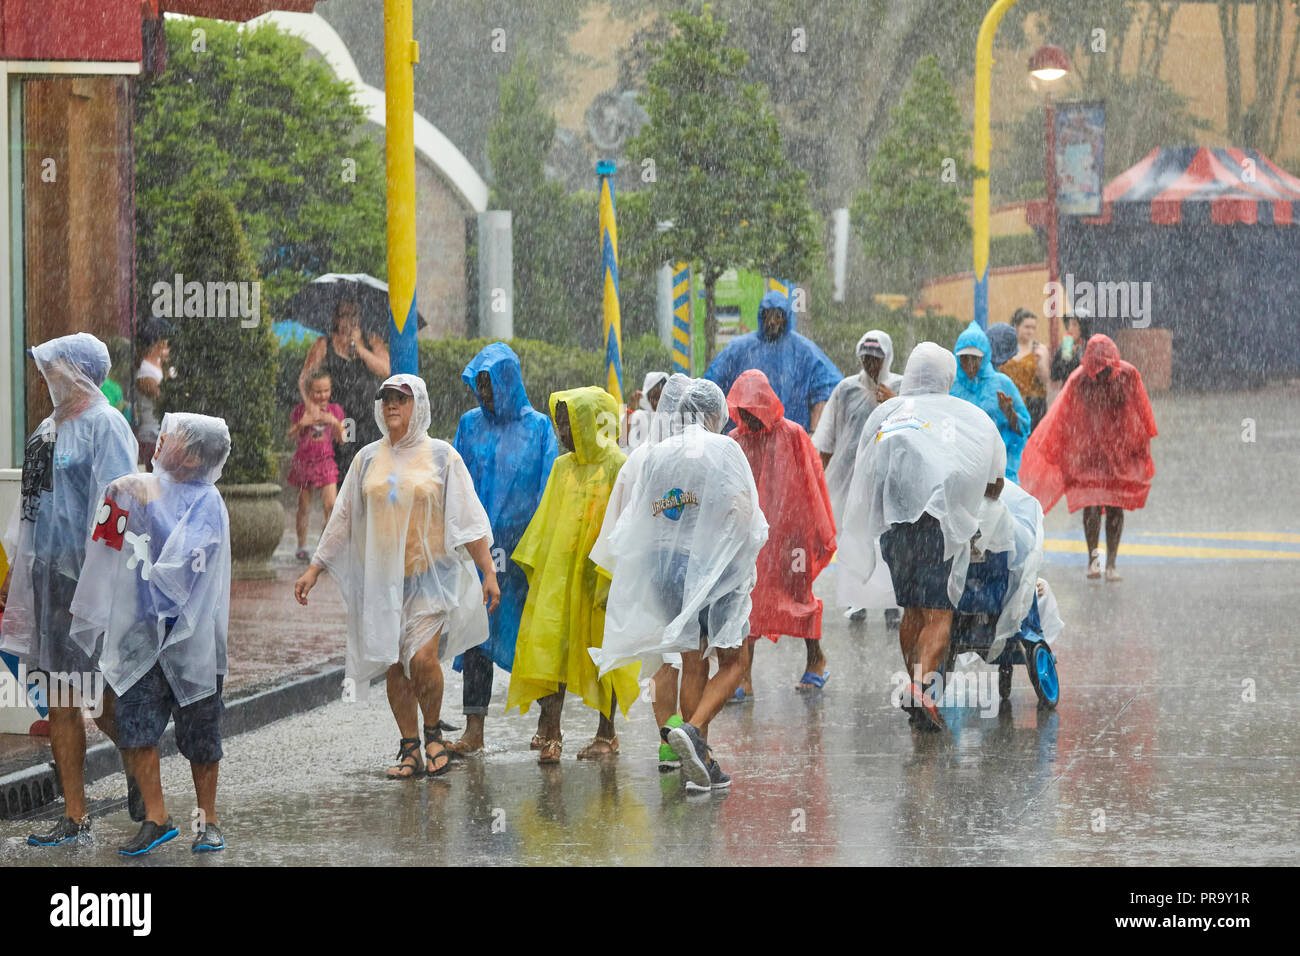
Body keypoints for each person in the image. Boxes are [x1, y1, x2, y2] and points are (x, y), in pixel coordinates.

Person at [293, 375, 500, 779]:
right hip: (383, 582)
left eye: (401, 400)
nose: (392, 405)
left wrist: (488, 570)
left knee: (422, 659)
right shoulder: (367, 459)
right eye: (386, 398)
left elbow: (467, 519)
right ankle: (410, 746)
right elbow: (343, 516)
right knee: (394, 664)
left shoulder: (442, 457)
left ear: (417, 405)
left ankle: (433, 731)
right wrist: (315, 568)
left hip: (431, 578)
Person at [591, 378, 768, 791]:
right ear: (712, 414)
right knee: (735, 663)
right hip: (711, 570)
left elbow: (638, 521)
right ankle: (694, 730)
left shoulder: (657, 453)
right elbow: (746, 514)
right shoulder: (724, 448)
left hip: (665, 572)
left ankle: (698, 764)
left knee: (692, 661)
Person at [69, 413, 232, 855]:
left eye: (173, 436)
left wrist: (143, 499)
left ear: (196, 455)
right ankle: (156, 817)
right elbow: (107, 543)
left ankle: (208, 820)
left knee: (201, 735)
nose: (161, 439)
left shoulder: (207, 502)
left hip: (192, 641)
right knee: (135, 725)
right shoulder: (137, 487)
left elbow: (182, 568)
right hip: (141, 635)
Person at [0, 334, 138, 845]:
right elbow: (30, 507)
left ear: (80, 372)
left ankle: (139, 764)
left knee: (99, 700)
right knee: (59, 696)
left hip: (93, 580)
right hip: (47, 579)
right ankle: (75, 814)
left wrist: (100, 576)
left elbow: (118, 504)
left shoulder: (108, 427)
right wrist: (15, 567)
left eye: (56, 368)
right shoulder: (45, 432)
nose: (48, 377)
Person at [839, 343, 1006, 731]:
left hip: (895, 533)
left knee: (911, 611)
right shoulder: (970, 417)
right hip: (940, 530)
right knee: (939, 614)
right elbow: (995, 483)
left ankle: (918, 689)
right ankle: (920, 688)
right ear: (947, 376)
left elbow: (866, 472)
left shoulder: (889, 414)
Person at [505, 386, 640, 763]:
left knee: (604, 652)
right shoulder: (562, 467)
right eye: (559, 423)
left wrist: (614, 574)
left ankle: (606, 733)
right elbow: (549, 517)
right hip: (561, 575)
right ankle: (551, 730)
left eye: (569, 423)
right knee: (551, 646)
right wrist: (537, 566)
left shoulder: (617, 464)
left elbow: (626, 522)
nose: (562, 432)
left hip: (600, 577)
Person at [447, 343, 558, 756]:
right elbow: (456, 481)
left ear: (509, 380)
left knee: (533, 637)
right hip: (480, 553)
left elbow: (548, 485)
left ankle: (549, 725)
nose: (485, 393)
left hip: (524, 553)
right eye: (479, 385)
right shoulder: (469, 425)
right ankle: (473, 729)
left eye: (491, 384)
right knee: (477, 637)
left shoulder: (540, 428)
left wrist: (542, 544)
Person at [589, 374, 704, 772]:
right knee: (690, 656)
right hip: (694, 570)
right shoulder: (705, 454)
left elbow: (618, 526)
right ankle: (690, 735)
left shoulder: (640, 458)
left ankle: (668, 742)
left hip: (651, 571)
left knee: (660, 659)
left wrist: (618, 577)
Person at [727, 369, 836, 693]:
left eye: (753, 410)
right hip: (752, 538)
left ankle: (816, 659)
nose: (749, 417)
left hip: (793, 538)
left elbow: (813, 484)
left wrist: (816, 531)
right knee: (748, 600)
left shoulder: (793, 435)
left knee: (799, 599)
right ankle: (743, 675)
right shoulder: (734, 441)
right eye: (743, 411)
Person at [1020, 334, 1157, 582]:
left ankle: (1112, 563)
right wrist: (1060, 447)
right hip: (1089, 451)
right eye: (1098, 370)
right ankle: (1093, 559)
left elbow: (1142, 412)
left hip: (1119, 450)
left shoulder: (1128, 375)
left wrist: (1140, 447)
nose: (1102, 375)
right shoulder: (1078, 379)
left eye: (1107, 369)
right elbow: (1062, 416)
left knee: (1116, 504)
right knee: (1091, 502)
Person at [813, 330, 903, 628]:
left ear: (887, 358)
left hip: (889, 479)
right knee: (854, 537)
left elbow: (916, 428)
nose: (870, 364)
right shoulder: (845, 390)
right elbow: (826, 438)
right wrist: (816, 478)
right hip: (851, 479)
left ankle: (892, 603)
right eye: (865, 357)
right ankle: (857, 600)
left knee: (888, 541)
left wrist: (895, 402)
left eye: (876, 359)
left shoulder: (902, 387)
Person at [704, 289, 842, 432]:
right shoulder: (738, 349)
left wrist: (814, 435)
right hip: (745, 440)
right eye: (767, 315)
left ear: (786, 317)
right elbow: (711, 387)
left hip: (789, 441)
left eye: (778, 316)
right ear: (760, 316)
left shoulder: (804, 351)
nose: (772, 321)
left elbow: (828, 389)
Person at [298, 295, 390, 480]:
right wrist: (312, 406)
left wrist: (361, 349)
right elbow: (304, 379)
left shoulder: (371, 340)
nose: (350, 320)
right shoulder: (324, 344)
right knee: (343, 466)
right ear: (336, 318)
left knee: (371, 466)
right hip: (339, 416)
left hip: (368, 414)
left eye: (354, 314)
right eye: (344, 315)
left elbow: (385, 370)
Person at [952, 321, 1031, 483]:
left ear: (986, 356)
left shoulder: (1002, 384)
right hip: (960, 468)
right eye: (964, 358)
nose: (969, 364)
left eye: (975, 358)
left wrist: (1010, 414)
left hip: (997, 472)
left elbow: (1023, 430)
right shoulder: (951, 384)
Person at [287, 369, 346, 561]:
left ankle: (327, 547)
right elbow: (290, 437)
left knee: (331, 505)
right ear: (309, 392)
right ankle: (302, 545)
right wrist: (302, 424)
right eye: (318, 392)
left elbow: (343, 439)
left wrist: (335, 423)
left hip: (326, 461)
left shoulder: (335, 410)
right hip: (304, 463)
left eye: (326, 390)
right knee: (304, 506)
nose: (322, 396)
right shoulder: (299, 410)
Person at [998, 309, 1050, 430]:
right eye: (1027, 327)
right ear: (1016, 326)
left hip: (1033, 404)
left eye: (1033, 327)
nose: (1030, 331)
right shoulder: (1005, 348)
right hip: (1009, 402)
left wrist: (1040, 363)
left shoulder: (1039, 349)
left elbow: (1045, 379)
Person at [134, 318, 172, 470]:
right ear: (160, 343)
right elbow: (164, 398)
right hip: (152, 437)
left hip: (164, 436)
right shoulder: (144, 372)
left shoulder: (163, 367)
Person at [1049, 309, 1093, 401]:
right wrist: (1065, 356)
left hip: (1087, 397)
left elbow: (1088, 374)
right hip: (1067, 396)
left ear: (1083, 327)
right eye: (1069, 324)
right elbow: (1054, 375)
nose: (1070, 329)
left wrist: (1076, 357)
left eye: (1074, 325)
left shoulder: (1091, 347)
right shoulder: (1063, 347)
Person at [624, 370, 669, 451]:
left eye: (660, 397)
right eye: (653, 398)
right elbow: (623, 441)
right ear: (647, 397)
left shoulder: (672, 417)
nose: (656, 402)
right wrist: (630, 408)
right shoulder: (640, 416)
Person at [101, 335, 133, 421]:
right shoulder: (109, 387)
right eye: (130, 362)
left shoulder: (102, 383)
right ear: (123, 362)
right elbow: (106, 419)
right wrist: (122, 407)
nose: (130, 367)